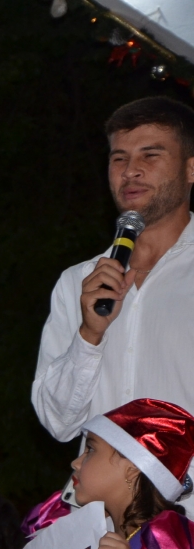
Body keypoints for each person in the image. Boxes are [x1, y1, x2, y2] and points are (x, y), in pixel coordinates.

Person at [32, 97, 194, 446]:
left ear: (191, 170)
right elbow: (57, 422)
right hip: (98, 502)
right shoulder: (77, 281)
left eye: (150, 156)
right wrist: (89, 336)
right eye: (119, 158)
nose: (130, 171)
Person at [3, 399, 194, 549]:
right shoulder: (95, 534)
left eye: (91, 449)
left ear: (133, 467)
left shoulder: (165, 532)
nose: (76, 462)